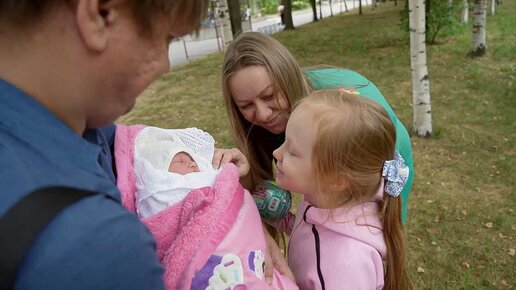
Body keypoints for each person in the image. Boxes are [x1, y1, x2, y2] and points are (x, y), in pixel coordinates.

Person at [0, 0, 209, 289]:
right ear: (100, 13)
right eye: (167, 38)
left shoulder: (87, 131)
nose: (165, 65)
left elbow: (125, 143)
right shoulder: (100, 249)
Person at [221, 31, 414, 222]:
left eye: (269, 95)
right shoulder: (278, 119)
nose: (263, 114)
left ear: (288, 79)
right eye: (246, 106)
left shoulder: (343, 120)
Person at [114, 125, 298, 290]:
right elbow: (162, 233)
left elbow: (230, 195)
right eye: (180, 161)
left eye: (190, 158)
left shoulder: (212, 179)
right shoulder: (162, 198)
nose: (191, 163)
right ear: (161, 175)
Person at [272, 90, 412, 290]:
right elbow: (314, 232)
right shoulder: (328, 198)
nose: (277, 153)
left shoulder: (344, 265)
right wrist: (281, 218)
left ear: (336, 179)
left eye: (293, 151)